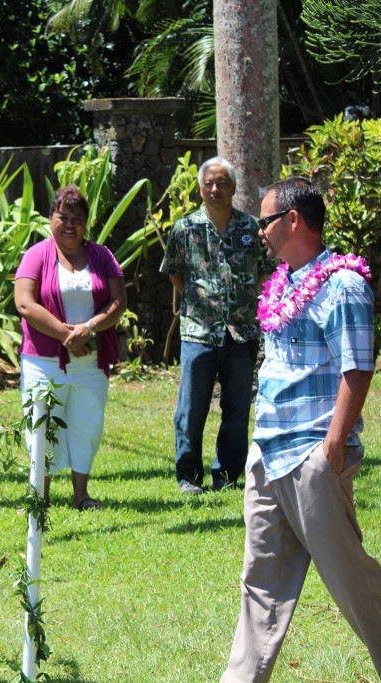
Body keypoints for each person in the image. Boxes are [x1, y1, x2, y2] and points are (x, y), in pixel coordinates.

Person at [222, 176, 381, 683]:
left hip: (313, 454)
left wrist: (333, 448)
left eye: (266, 222)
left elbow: (357, 368)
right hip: (268, 453)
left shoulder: (343, 283)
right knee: (260, 581)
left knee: (348, 578)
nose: (261, 233)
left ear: (292, 220)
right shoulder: (285, 283)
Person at [159, 156, 268, 494]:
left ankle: (228, 475)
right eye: (209, 183)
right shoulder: (185, 228)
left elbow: (265, 270)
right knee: (191, 409)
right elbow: (174, 271)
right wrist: (199, 300)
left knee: (236, 410)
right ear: (200, 189)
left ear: (234, 188)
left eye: (222, 183)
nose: (215, 189)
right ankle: (189, 476)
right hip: (198, 334)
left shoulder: (252, 228)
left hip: (241, 333)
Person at [14, 185, 127, 510]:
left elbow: (119, 301)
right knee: (41, 425)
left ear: (86, 223)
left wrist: (88, 328)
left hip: (90, 362)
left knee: (87, 425)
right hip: (44, 362)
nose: (69, 224)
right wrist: (68, 336)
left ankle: (82, 495)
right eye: (63, 216)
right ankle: (41, 496)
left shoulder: (102, 255)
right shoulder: (37, 254)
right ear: (51, 217)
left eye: (77, 218)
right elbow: (25, 304)